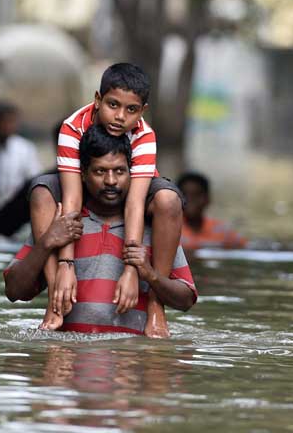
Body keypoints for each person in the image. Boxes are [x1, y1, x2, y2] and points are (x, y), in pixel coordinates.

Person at [31, 63, 184, 338]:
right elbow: (72, 197)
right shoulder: (73, 127)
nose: (119, 117)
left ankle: (155, 306)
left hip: (133, 188)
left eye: (131, 110)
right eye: (113, 105)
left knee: (168, 200)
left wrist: (131, 270)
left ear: (142, 111)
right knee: (41, 192)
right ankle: (56, 299)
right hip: (83, 185)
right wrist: (66, 265)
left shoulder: (144, 135)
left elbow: (135, 203)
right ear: (97, 99)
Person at [4, 125, 197, 335]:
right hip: (67, 360)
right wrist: (46, 242)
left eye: (120, 171)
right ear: (84, 175)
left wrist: (151, 275)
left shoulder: (154, 226)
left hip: (131, 361)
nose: (111, 181)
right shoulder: (61, 225)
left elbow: (186, 299)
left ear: (133, 173)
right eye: (100, 171)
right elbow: (14, 291)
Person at [177, 172, 247, 251]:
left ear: (208, 199)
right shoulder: (170, 231)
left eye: (197, 194)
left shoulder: (222, 231)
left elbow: (245, 248)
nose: (191, 200)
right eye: (185, 194)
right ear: (176, 198)